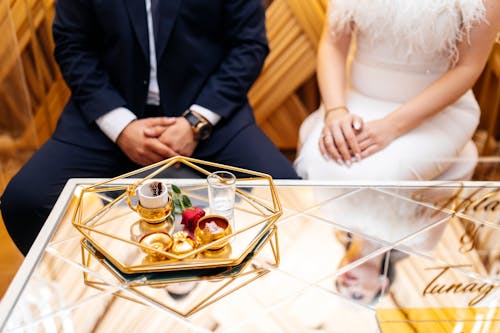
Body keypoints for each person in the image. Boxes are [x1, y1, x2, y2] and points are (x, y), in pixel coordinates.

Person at [1, 0, 298, 255]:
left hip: (208, 111)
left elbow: (249, 45)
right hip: (109, 111)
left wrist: (195, 122)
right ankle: (90, 282)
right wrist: (121, 127)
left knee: (287, 197)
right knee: (25, 201)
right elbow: (73, 47)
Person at [294, 0, 500, 180]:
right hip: (355, 99)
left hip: (435, 112)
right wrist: (336, 111)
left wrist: (391, 127)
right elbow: (333, 44)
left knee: (379, 175)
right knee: (321, 162)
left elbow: (467, 68)